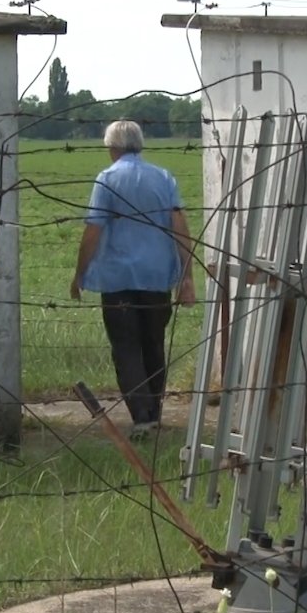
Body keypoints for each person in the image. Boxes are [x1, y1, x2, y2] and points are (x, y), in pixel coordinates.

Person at [70, 119, 196, 439]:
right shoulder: (164, 177)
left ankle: (141, 417)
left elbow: (93, 230)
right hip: (157, 277)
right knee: (153, 344)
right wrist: (187, 276)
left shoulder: (107, 179)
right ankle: (154, 411)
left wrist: (80, 273)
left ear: (112, 148)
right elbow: (179, 226)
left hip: (118, 279)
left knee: (126, 347)